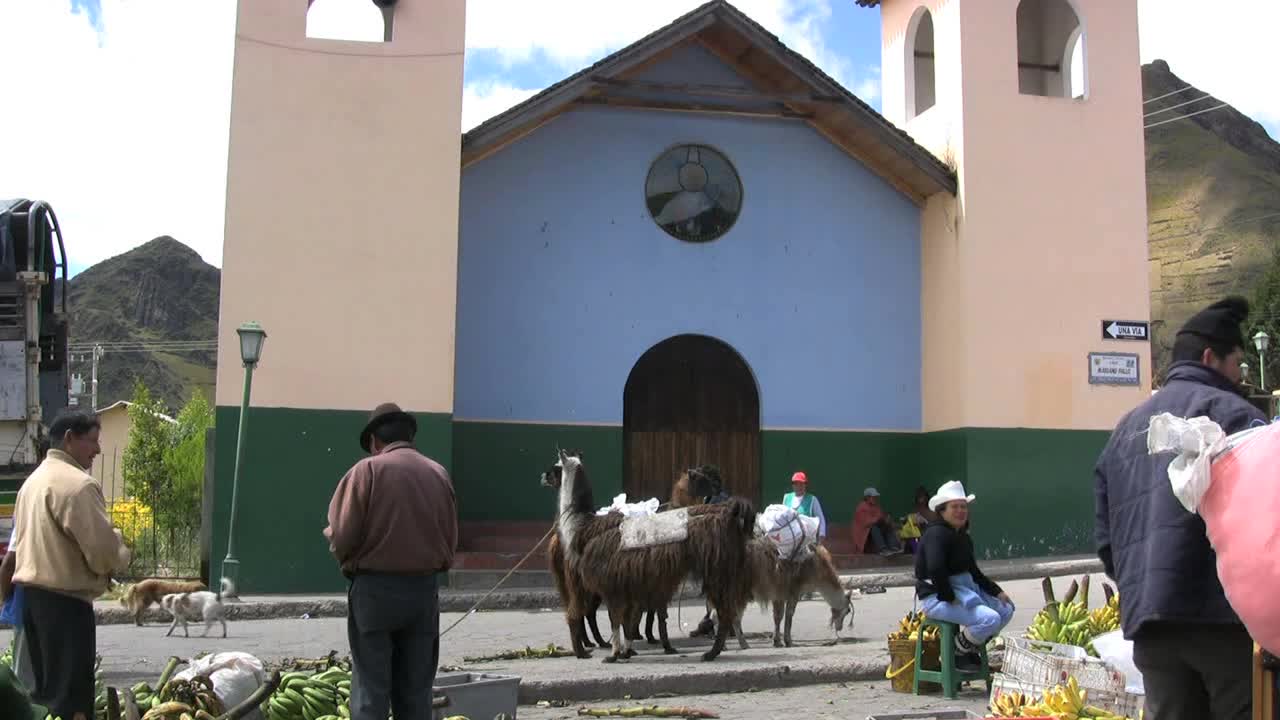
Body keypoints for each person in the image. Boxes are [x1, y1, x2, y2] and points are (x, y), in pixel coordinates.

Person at [1094, 296, 1266, 720]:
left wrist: (1144, 589)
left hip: (1151, 628)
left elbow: (1106, 543)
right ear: (1211, 357)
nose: (1241, 375)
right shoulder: (1235, 415)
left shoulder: (1123, 431)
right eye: (1237, 363)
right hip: (1223, 624)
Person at [324, 403, 458, 720]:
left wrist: (343, 551)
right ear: (409, 437)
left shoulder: (366, 471)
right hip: (423, 593)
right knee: (415, 693)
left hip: (374, 592)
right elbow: (451, 540)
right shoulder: (438, 474)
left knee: (371, 690)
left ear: (374, 441)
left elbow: (341, 535)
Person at [11, 411, 130, 720]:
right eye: (92, 441)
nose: (98, 450)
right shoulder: (78, 486)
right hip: (65, 605)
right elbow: (103, 552)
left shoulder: (32, 483)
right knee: (71, 700)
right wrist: (119, 545)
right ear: (69, 439)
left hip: (31, 601)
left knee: (42, 696)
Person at [914, 480, 1014, 670]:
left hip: (964, 593)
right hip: (938, 598)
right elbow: (936, 569)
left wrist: (997, 592)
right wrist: (948, 596)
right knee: (989, 619)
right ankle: (955, 654)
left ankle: (968, 649)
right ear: (942, 511)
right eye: (955, 507)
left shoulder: (962, 537)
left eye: (963, 507)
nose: (961, 511)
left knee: (1006, 610)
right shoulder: (936, 534)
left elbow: (973, 572)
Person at [851, 487, 900, 556]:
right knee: (874, 527)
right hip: (864, 536)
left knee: (887, 525)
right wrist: (878, 519)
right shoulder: (861, 507)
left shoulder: (876, 506)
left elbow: (880, 517)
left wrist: (886, 519)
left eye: (876, 497)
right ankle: (882, 550)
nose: (875, 498)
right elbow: (866, 523)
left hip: (875, 534)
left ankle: (894, 547)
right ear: (867, 497)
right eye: (873, 497)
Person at [782, 471, 827, 542]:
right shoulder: (786, 498)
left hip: (807, 540)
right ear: (793, 485)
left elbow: (820, 518)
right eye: (796, 484)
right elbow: (782, 518)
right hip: (789, 540)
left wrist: (821, 534)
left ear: (805, 485)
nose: (799, 487)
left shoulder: (812, 499)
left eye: (801, 484)